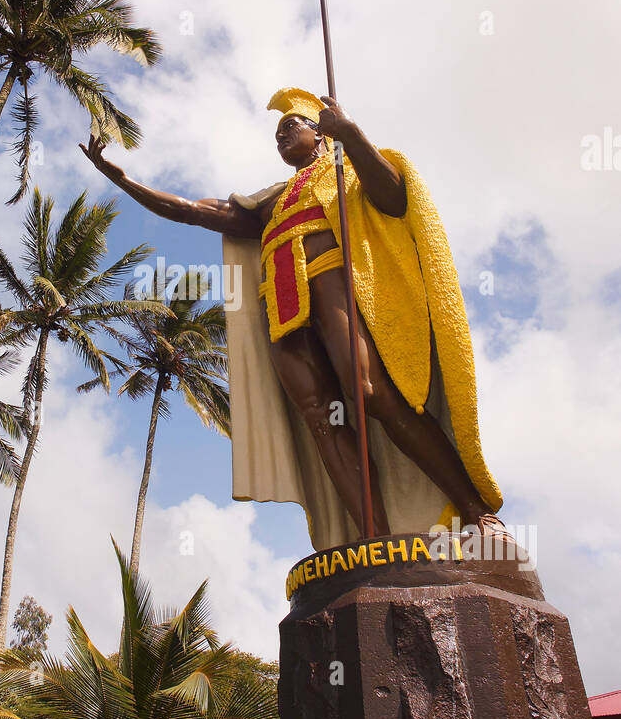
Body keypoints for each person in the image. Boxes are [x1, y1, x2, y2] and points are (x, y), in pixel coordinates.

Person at [82, 87, 507, 548]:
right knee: (322, 417)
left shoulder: (348, 172)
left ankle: (473, 509)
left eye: (291, 126)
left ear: (321, 135)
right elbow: (195, 211)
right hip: (282, 308)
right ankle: (374, 538)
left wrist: (352, 135)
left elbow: (394, 200)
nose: (281, 135)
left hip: (334, 286)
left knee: (369, 393)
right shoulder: (269, 203)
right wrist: (124, 181)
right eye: (277, 132)